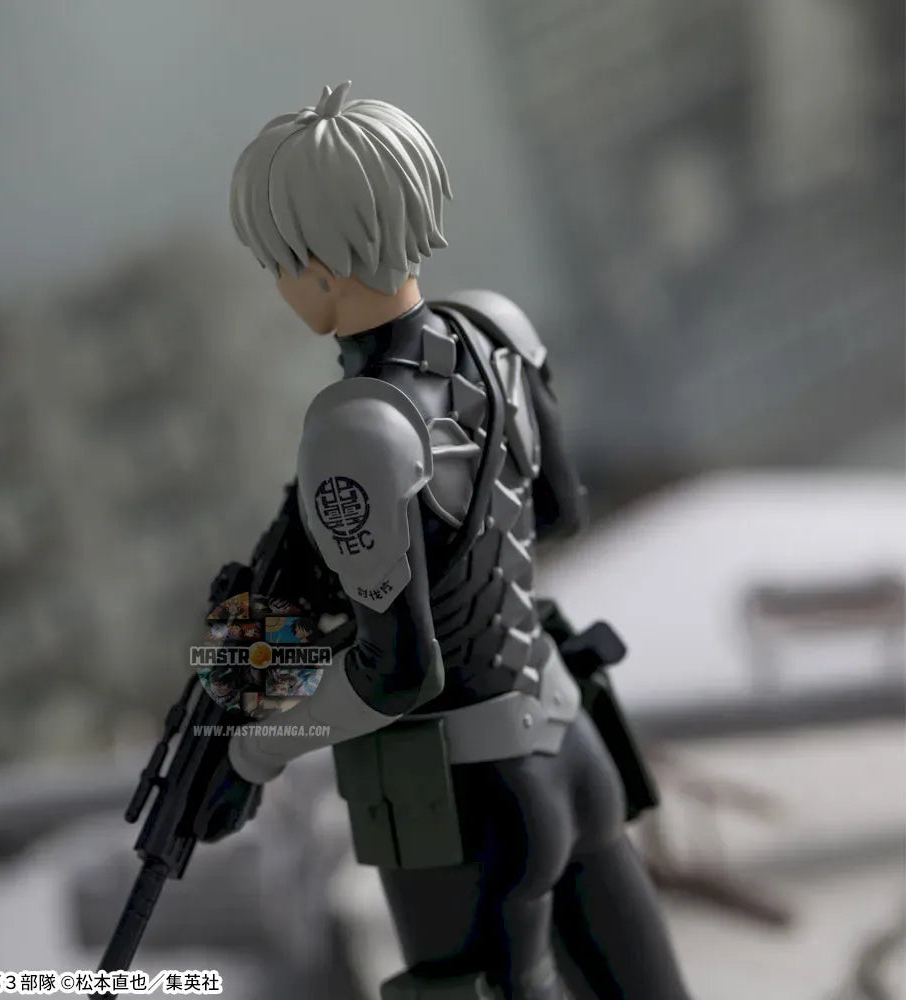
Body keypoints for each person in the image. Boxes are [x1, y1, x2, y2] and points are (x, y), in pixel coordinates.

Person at [217, 81, 693, 1000]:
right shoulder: (495, 328)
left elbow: (397, 673)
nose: (281, 285)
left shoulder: (353, 428)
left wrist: (255, 750)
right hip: (571, 739)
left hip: (469, 798)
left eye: (280, 262)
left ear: (319, 264)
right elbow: (556, 511)